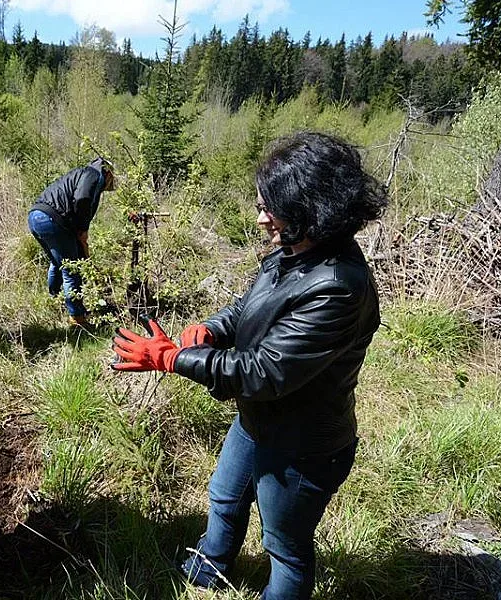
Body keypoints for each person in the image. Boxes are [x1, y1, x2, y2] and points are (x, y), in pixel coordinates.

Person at [111, 132, 388, 598]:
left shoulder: (338, 285)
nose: (261, 218)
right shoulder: (294, 251)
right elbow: (249, 308)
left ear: (311, 210)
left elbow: (264, 372)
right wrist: (212, 329)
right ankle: (207, 570)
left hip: (303, 444)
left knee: (285, 546)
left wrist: (173, 357)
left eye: (270, 208)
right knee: (224, 497)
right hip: (258, 420)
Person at [27, 157, 116, 326]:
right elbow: (82, 200)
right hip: (53, 219)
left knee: (58, 262)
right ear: (108, 172)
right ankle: (77, 318)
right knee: (71, 269)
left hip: (35, 217)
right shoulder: (94, 175)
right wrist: (82, 229)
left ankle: (55, 299)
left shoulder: (80, 173)